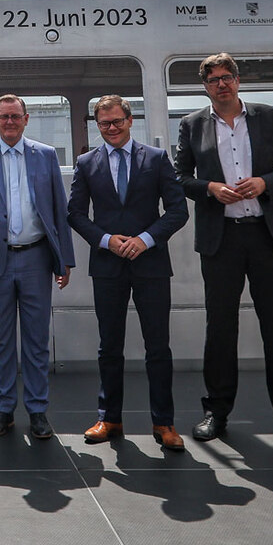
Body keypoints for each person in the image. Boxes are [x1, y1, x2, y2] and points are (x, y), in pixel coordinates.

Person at [175, 52, 273, 447]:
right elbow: (178, 177)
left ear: (238, 80)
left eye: (227, 77)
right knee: (221, 328)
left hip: (265, 235)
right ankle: (216, 412)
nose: (221, 84)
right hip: (221, 238)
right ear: (205, 87)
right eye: (213, 79)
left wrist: (265, 184)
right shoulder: (191, 124)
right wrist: (210, 188)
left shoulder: (268, 117)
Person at [68, 94, 188, 449]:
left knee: (158, 348)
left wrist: (146, 240)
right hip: (107, 265)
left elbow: (178, 210)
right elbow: (75, 213)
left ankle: (164, 424)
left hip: (150, 264)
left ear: (130, 119)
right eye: (104, 123)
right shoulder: (86, 163)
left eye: (117, 121)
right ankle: (109, 418)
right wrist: (106, 240)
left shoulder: (156, 158)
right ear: (96, 125)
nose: (111, 128)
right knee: (109, 346)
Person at [0, 95, 73, 440]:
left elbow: (58, 209)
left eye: (15, 116)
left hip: (37, 258)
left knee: (37, 340)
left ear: (26, 120)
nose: (9, 122)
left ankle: (37, 411)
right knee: (1, 339)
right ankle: (4, 409)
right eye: (3, 117)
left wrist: (63, 259)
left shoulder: (45, 155)